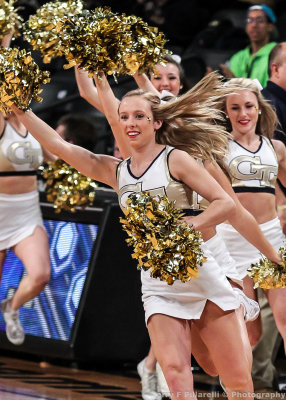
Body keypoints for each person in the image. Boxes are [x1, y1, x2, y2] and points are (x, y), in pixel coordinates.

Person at [11, 73, 255, 400]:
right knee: (175, 372)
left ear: (156, 123)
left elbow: (225, 203)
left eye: (139, 116)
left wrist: (188, 227)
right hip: (157, 282)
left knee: (228, 375)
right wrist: (19, 107)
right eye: (124, 117)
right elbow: (58, 145)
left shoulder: (176, 159)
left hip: (203, 271)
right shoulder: (116, 172)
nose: (130, 122)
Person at [216, 77, 286, 358]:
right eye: (235, 108)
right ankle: (239, 388)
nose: (242, 114)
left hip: (271, 239)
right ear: (226, 112)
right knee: (250, 331)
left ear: (259, 108)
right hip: (233, 244)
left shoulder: (276, 148)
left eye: (248, 106)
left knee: (284, 318)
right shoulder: (217, 148)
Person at [0, 30, 55, 346]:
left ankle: (12, 306)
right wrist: (5, 42)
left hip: (27, 210)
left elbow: (55, 154)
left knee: (40, 275)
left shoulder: (31, 122)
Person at [220, 4, 277, 88]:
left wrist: (236, 83)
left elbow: (273, 94)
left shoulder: (278, 53)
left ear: (270, 27)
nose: (254, 25)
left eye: (260, 20)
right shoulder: (238, 57)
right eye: (250, 20)